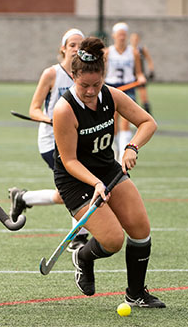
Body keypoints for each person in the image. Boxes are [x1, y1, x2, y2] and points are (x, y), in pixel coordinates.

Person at [53, 36, 165, 308]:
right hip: (76, 180)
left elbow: (148, 123)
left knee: (140, 230)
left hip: (108, 170)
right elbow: (69, 161)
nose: (91, 92)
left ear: (103, 75)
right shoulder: (64, 110)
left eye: (96, 84)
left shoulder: (111, 95)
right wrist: (95, 184)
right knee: (113, 240)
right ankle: (83, 257)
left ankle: (136, 293)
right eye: (84, 86)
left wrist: (131, 147)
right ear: (73, 76)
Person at [8, 28, 89, 250]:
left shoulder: (85, 75)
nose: (76, 49)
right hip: (50, 141)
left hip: (77, 140)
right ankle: (79, 237)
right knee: (79, 186)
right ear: (63, 48)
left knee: (71, 192)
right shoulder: (52, 74)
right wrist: (48, 119)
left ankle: (24, 198)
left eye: (80, 45)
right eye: (72, 45)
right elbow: (34, 108)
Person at [104, 22, 146, 162]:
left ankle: (123, 153)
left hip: (128, 87)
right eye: (119, 34)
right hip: (112, 87)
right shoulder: (108, 52)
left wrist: (141, 78)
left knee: (126, 121)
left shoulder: (133, 52)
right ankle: (114, 151)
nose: (121, 37)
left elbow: (138, 72)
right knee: (113, 121)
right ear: (114, 35)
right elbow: (103, 73)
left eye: (123, 34)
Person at [130, 32, 155, 115]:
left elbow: (149, 60)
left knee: (144, 98)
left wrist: (151, 70)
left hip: (140, 76)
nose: (134, 41)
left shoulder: (142, 49)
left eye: (136, 39)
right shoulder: (128, 50)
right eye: (133, 39)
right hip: (130, 77)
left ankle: (149, 116)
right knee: (131, 99)